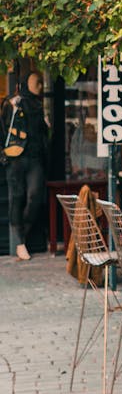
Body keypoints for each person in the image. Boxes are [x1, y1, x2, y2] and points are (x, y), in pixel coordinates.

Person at [2, 72, 49, 260]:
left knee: (34, 195)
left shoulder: (38, 105)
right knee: (17, 196)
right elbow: (2, 129)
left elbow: (43, 133)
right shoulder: (12, 103)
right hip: (15, 157)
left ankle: (23, 235)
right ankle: (20, 242)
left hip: (35, 157)